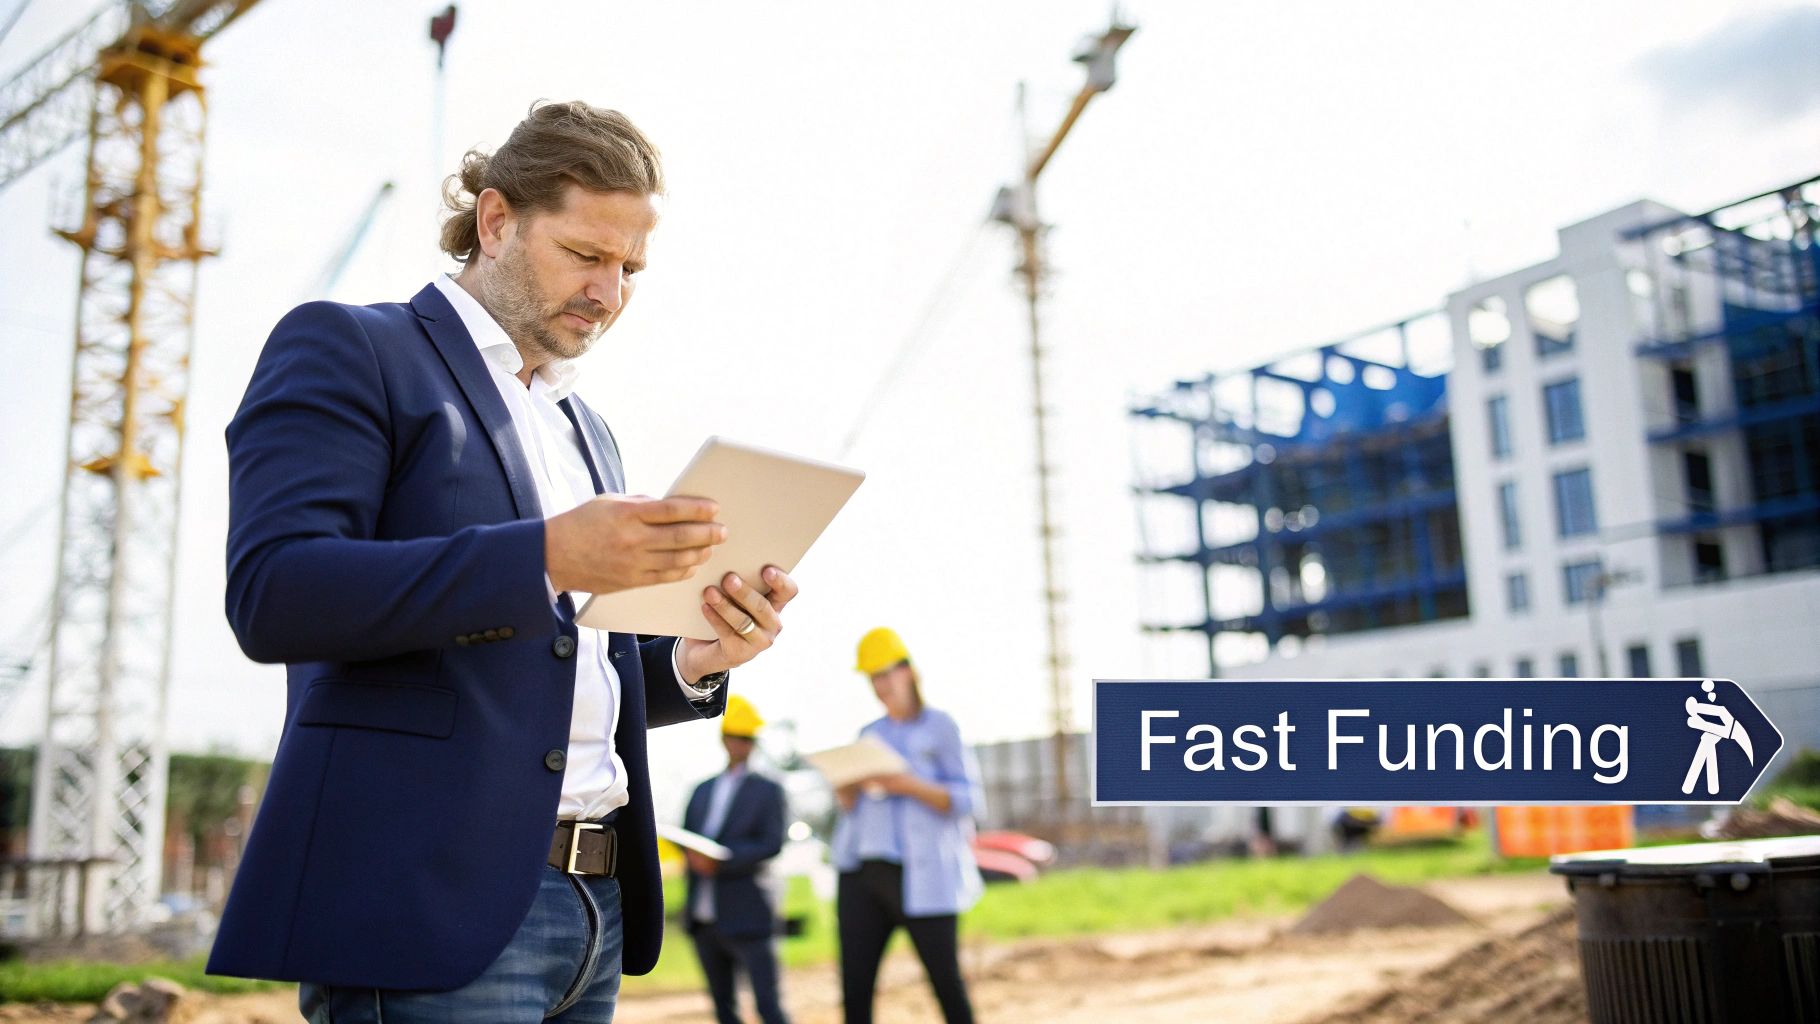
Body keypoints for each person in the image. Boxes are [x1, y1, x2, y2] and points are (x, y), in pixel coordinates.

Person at [206, 101, 800, 1024]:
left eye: (630, 269)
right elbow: (276, 592)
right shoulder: (354, 349)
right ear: (494, 221)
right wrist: (550, 554)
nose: (608, 293)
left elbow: (556, 671)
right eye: (585, 254)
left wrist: (691, 661)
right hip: (426, 903)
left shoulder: (586, 429)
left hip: (596, 907)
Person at [831, 628, 983, 1024]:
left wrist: (908, 784)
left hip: (920, 874)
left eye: (885, 674)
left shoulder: (941, 727)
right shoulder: (870, 734)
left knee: (945, 982)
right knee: (855, 987)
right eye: (872, 678)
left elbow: (968, 801)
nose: (880, 686)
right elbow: (852, 809)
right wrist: (846, 789)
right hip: (863, 872)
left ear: (909, 672)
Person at [682, 694, 792, 1024]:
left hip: (748, 912)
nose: (741, 745)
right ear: (724, 739)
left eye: (747, 739)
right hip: (704, 916)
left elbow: (772, 843)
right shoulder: (701, 790)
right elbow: (687, 837)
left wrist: (723, 861)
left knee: (769, 1007)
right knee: (723, 1009)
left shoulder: (769, 790)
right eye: (735, 737)